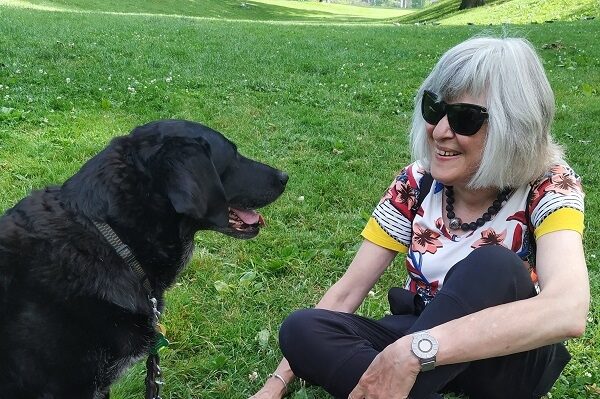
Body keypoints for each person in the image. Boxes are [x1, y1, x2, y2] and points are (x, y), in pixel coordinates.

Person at [250, 36, 589, 399]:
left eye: (464, 118)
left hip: (502, 356)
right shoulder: (416, 182)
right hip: (418, 334)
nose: (440, 130)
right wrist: (276, 384)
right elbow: (347, 291)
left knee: (495, 266)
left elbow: (567, 310)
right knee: (303, 328)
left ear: (515, 126)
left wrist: (416, 351)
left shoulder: (549, 184)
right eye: (434, 109)